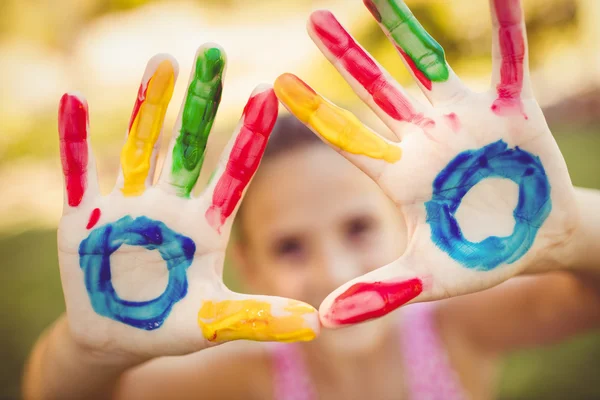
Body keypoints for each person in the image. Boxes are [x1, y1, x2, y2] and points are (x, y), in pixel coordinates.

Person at [24, 0, 600, 399]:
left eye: (357, 227)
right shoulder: (245, 375)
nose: (333, 270)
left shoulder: (460, 329)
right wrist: (89, 352)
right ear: (246, 266)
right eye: (290, 247)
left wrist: (572, 233)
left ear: (407, 224)